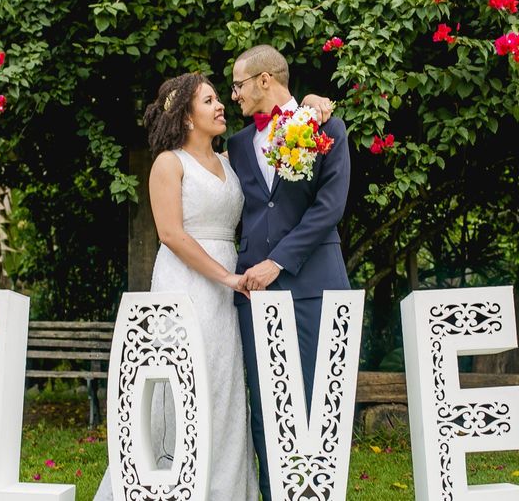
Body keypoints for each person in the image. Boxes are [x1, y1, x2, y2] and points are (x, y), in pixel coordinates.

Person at [92, 72, 257, 499]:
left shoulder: (229, 161)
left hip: (228, 285)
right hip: (185, 285)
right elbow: (171, 233)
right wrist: (226, 277)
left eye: (219, 98)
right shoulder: (169, 163)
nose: (221, 105)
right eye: (209, 100)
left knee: (223, 386)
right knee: (180, 389)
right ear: (186, 116)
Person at [227, 44, 352, 501]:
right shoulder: (238, 144)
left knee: (319, 400)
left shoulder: (327, 126)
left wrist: (277, 261)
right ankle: (272, 493)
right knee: (266, 401)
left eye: (238, 84)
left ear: (264, 80)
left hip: (314, 283)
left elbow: (329, 208)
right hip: (253, 291)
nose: (234, 95)